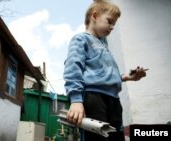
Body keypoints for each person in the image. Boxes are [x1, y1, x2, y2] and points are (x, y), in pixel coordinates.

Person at [63, 0, 147, 141]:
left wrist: (127, 77)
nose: (112, 27)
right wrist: (76, 100)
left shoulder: (104, 45)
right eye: (109, 21)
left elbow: (102, 73)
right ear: (94, 16)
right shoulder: (81, 39)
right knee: (97, 138)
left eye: (114, 24)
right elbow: (73, 68)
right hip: (93, 98)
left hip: (114, 99)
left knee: (116, 137)